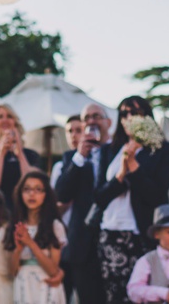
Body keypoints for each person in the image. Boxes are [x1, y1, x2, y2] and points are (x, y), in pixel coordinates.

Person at [95, 96, 169, 304]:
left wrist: (133, 166)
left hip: (144, 233)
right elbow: (99, 196)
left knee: (146, 294)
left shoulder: (162, 150)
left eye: (136, 112)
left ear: (147, 116)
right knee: (114, 295)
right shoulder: (108, 150)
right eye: (124, 113)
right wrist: (121, 173)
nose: (130, 117)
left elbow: (157, 195)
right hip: (111, 232)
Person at [55, 102, 113, 304]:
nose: (91, 121)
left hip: (114, 238)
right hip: (82, 244)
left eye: (96, 116)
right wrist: (80, 156)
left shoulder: (117, 152)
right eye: (86, 118)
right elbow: (62, 194)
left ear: (108, 122)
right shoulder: (72, 157)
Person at [6, 171, 67, 304]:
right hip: (23, 287)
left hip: (46, 287)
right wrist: (18, 249)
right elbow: (12, 271)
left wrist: (30, 243)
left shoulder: (54, 226)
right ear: (20, 193)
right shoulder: (16, 225)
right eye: (27, 189)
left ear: (46, 194)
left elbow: (53, 270)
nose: (31, 194)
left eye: (38, 190)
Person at [0, 103, 41, 206]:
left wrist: (20, 153)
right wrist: (1, 153)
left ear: (15, 121)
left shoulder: (31, 155)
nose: (5, 120)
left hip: (21, 211)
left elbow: (32, 186)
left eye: (9, 116)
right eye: (0, 117)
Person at [50, 114, 82, 301]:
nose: (74, 135)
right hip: (63, 240)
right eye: (70, 131)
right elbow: (55, 206)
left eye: (78, 130)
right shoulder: (59, 167)